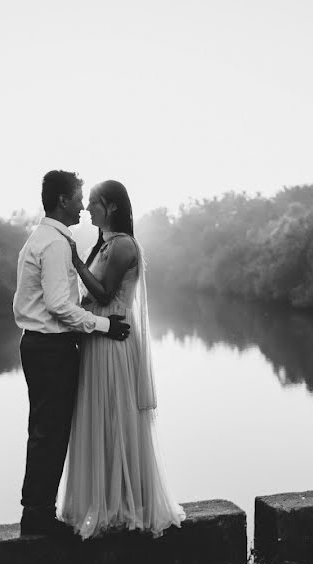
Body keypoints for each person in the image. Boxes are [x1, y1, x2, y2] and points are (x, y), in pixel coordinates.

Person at [58, 180, 185, 539]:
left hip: (115, 339)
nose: (88, 209)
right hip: (99, 337)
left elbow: (104, 292)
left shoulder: (124, 244)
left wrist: (74, 262)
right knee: (101, 415)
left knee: (116, 414)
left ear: (111, 207)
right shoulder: (106, 245)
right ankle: (106, 500)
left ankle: (127, 502)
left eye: (94, 203)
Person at [13, 170, 131, 538]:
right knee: (50, 431)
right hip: (50, 348)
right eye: (79, 197)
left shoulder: (49, 238)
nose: (83, 205)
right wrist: (104, 326)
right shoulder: (53, 243)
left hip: (42, 345)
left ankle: (37, 510)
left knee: (46, 430)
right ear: (63, 200)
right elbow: (60, 305)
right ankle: (37, 516)